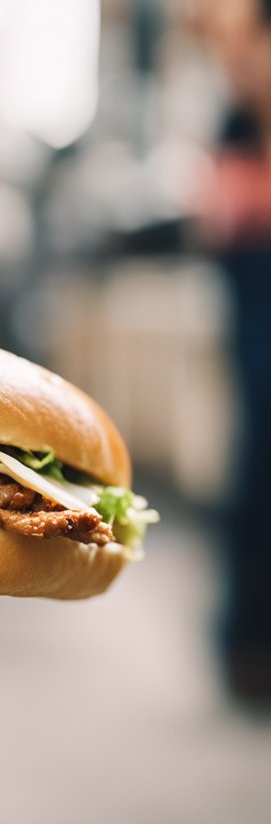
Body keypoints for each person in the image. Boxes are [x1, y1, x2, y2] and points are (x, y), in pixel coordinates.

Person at [196, 0, 271, 705]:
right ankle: (245, 642)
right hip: (255, 292)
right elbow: (218, 217)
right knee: (258, 461)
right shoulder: (236, 125)